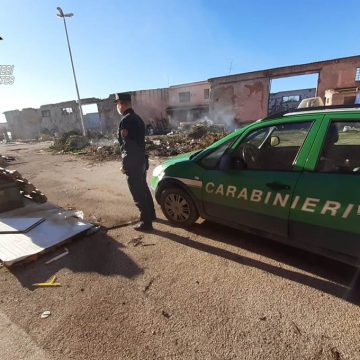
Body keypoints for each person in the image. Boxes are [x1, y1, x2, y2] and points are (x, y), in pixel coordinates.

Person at [115, 92, 156, 231]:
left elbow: (128, 146)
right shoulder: (138, 118)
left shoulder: (126, 120)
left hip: (133, 162)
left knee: (137, 192)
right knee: (143, 188)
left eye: (117, 104)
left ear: (121, 104)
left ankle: (146, 222)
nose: (117, 107)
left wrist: (125, 166)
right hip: (141, 161)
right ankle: (151, 214)